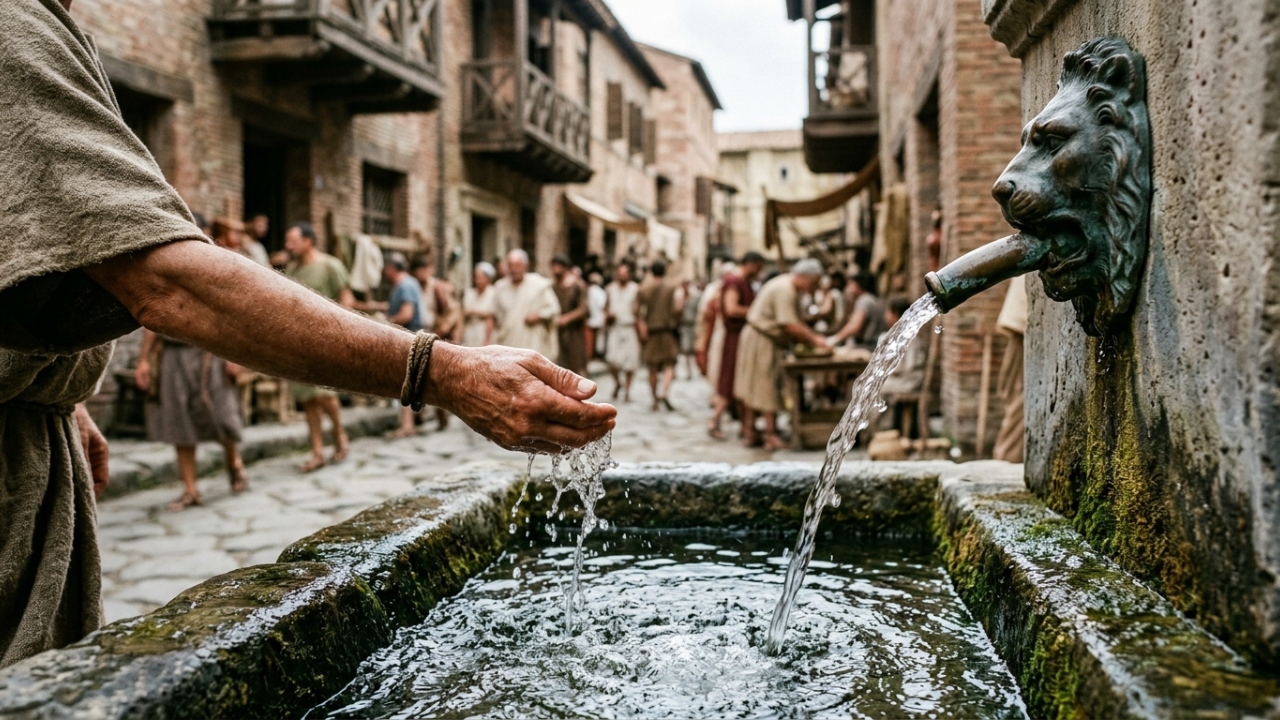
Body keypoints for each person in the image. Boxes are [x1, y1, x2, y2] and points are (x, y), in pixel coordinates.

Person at [0, 0, 612, 668]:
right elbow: (167, 280)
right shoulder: (13, 25)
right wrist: (441, 372)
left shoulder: (44, 25)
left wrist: (61, 390)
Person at [734, 259, 831, 450]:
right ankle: (769, 435)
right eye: (813, 283)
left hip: (762, 338)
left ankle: (750, 431)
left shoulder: (787, 287)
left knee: (755, 385)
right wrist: (815, 340)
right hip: (762, 340)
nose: (812, 288)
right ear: (803, 277)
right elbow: (789, 324)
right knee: (765, 385)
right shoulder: (785, 289)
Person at [284, 221, 355, 472]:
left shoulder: (329, 265)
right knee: (307, 399)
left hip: (325, 338)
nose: (288, 246)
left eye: (293, 241)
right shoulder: (292, 269)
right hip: (299, 341)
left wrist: (341, 332)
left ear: (308, 241)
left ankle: (339, 434)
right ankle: (317, 452)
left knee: (325, 394)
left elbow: (347, 299)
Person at [713, 252, 766, 439]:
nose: (759, 272)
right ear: (750, 264)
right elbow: (731, 308)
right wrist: (756, 311)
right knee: (730, 380)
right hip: (735, 337)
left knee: (740, 382)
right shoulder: (734, 282)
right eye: (758, 267)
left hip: (740, 336)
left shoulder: (742, 281)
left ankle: (746, 426)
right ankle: (714, 421)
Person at [382, 252, 424, 438]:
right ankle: (413, 421)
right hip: (411, 337)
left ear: (391, 268)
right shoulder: (408, 283)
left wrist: (386, 322)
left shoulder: (405, 285)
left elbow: (407, 314)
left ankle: (407, 426)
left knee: (406, 382)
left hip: (407, 338)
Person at [492, 248, 559, 360]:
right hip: (508, 341)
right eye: (511, 265)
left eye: (517, 265)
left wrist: (539, 315)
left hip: (533, 341)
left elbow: (553, 309)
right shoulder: (500, 287)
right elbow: (496, 316)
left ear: (526, 266)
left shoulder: (538, 284)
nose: (514, 269)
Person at [636, 259, 684, 411]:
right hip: (667, 331)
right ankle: (664, 392)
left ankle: (654, 398)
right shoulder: (673, 287)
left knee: (652, 367)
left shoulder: (643, 289)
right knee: (669, 364)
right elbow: (678, 307)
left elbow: (637, 312)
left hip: (651, 333)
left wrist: (642, 329)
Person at [993, 275, 1027, 462]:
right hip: (1026, 325)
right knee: (1023, 399)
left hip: (1022, 322)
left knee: (1017, 397)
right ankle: (1006, 460)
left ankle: (1005, 459)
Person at [604, 263, 641, 402]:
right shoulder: (610, 289)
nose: (622, 276)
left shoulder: (635, 289)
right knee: (611, 361)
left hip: (630, 327)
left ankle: (627, 390)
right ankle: (618, 383)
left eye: (625, 273)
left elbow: (639, 309)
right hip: (615, 328)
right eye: (620, 273)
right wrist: (608, 315)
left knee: (630, 362)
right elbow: (605, 307)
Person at [551, 255, 588, 374]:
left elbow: (584, 309)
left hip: (574, 332)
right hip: (556, 331)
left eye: (558, 267)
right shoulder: (552, 286)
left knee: (576, 364)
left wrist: (567, 318)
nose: (555, 270)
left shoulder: (577, 285)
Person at [828, 272, 886, 348]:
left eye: (850, 284)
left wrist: (834, 339)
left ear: (858, 285)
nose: (847, 288)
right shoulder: (872, 299)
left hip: (869, 346)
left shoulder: (865, 300)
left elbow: (855, 326)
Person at [462, 262, 497, 348]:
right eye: (476, 277)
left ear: (488, 278)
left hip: (484, 332)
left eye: (481, 277)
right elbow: (464, 312)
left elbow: (491, 316)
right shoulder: (469, 293)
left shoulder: (493, 293)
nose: (478, 280)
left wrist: (487, 339)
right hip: (470, 331)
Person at [678, 278, 702, 380]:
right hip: (685, 326)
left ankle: (698, 368)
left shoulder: (696, 296)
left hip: (694, 325)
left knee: (696, 348)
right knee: (686, 350)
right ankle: (689, 371)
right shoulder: (680, 296)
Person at [585, 272, 607, 361]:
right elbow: (602, 305)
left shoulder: (587, 291)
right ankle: (597, 355)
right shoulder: (600, 292)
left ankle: (591, 356)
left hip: (590, 319)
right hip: (598, 318)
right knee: (598, 339)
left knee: (591, 339)